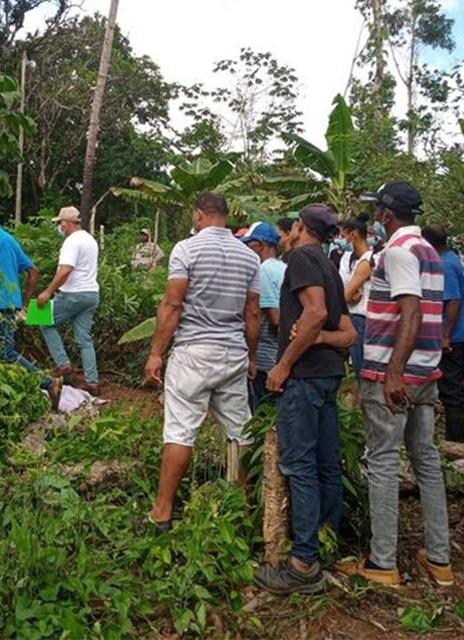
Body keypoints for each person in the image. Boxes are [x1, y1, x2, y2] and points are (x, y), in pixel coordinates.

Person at [336, 181, 453, 588]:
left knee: (383, 461)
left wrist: (394, 372)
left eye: (378, 212)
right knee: (426, 459)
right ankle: (439, 558)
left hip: (393, 375)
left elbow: (411, 312)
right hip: (425, 373)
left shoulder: (400, 252)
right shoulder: (429, 253)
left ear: (386, 215)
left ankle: (383, 563)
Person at [142, 192, 261, 532]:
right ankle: (241, 509)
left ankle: (162, 513)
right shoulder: (248, 256)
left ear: (198, 215)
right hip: (232, 354)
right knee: (239, 431)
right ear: (225, 215)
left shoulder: (186, 249)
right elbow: (252, 312)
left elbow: (172, 304)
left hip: (193, 353)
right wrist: (250, 356)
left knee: (180, 432)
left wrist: (155, 352)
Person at [254, 205, 357, 595]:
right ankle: (325, 546)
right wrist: (319, 337)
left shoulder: (300, 258)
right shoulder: (330, 266)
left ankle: (302, 565)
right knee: (326, 464)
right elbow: (346, 333)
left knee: (300, 466)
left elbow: (314, 315)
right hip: (328, 377)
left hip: (305, 380)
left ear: (299, 228)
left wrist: (283, 365)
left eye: (291, 226)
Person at [0, 207, 62, 407]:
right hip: (10, 305)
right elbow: (34, 272)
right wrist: (24, 304)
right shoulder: (10, 240)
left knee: (3, 352)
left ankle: (49, 383)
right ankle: (1, 395)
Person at [36, 206, 101, 395]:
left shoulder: (72, 242)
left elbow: (65, 269)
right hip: (91, 294)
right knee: (84, 340)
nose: (59, 226)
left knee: (44, 321)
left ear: (67, 223)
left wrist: (48, 292)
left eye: (60, 223)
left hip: (73, 294)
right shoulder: (90, 239)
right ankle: (92, 383)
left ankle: (63, 365)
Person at [422, 225, 464, 442]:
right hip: (455, 333)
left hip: (452, 337)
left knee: (452, 390)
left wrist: (445, 336)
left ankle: (455, 440)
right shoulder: (452, 257)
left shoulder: (443, 264)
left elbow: (452, 301)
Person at [240, 222, 286, 411]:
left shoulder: (263, 271)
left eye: (248, 244)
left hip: (266, 358)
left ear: (258, 245)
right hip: (281, 355)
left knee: (263, 411)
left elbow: (274, 318)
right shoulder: (283, 267)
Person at [340, 213, 374, 380]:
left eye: (344, 235)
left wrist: (349, 294)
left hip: (361, 319)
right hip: (359, 318)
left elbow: (345, 295)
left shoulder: (366, 261)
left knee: (363, 374)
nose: (343, 240)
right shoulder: (362, 260)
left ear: (353, 235)